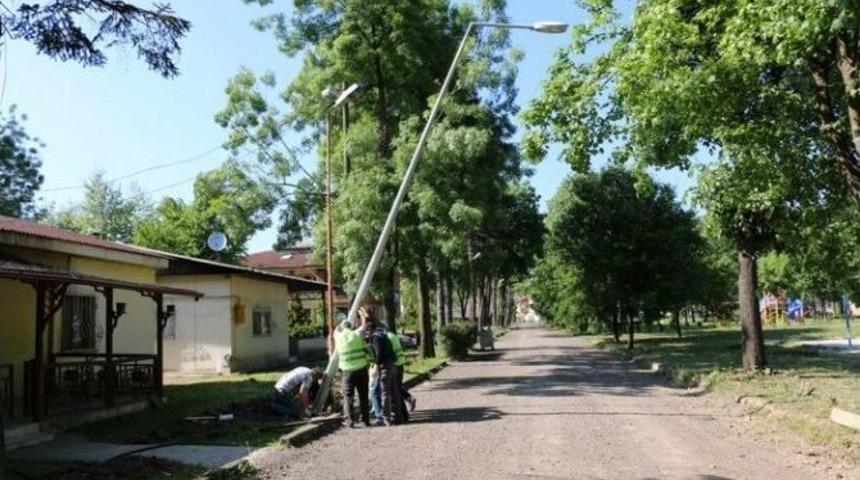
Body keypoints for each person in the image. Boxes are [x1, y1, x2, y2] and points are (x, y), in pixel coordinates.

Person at [363, 312, 403, 426]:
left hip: (384, 367)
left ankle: (386, 418)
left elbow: (378, 353)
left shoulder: (375, 337)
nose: (366, 334)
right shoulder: (384, 335)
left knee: (385, 393)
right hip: (392, 365)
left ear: (370, 329)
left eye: (367, 331)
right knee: (394, 391)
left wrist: (377, 365)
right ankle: (398, 417)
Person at [336, 317, 373, 427]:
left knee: (348, 397)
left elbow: (335, 331)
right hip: (362, 370)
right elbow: (368, 349)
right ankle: (365, 420)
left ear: (342, 328)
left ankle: (349, 421)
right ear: (351, 327)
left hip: (347, 372)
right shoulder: (357, 335)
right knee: (363, 396)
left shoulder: (339, 337)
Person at [386, 327, 417, 417]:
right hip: (400, 363)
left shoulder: (386, 337)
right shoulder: (393, 335)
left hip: (395, 364)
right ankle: (408, 399)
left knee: (396, 387)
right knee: (398, 386)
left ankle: (407, 401)